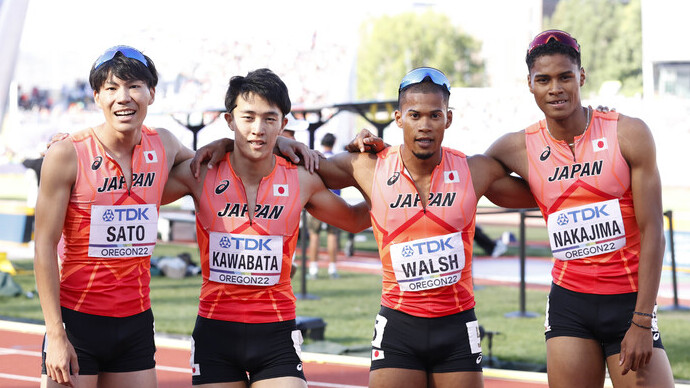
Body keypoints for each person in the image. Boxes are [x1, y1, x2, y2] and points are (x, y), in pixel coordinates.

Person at [34, 47, 317, 388]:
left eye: (134, 86)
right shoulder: (68, 153)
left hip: (135, 323)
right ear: (96, 96)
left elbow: (212, 161)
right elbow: (44, 246)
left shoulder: (164, 145)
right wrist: (55, 332)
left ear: (151, 93)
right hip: (77, 321)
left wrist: (273, 145)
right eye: (111, 89)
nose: (123, 98)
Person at [485, 30, 674, 387]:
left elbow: (653, 232)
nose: (555, 88)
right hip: (570, 304)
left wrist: (642, 321)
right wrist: (384, 155)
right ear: (530, 84)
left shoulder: (628, 134)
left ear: (581, 77)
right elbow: (464, 175)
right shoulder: (516, 148)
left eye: (564, 77)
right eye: (543, 79)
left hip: (629, 302)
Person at [163, 68, 371, 387]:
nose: (258, 129)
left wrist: (386, 178)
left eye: (269, 119)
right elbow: (138, 189)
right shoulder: (200, 173)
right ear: (230, 121)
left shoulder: (302, 179)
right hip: (215, 333)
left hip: (276, 334)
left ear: (283, 124)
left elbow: (356, 220)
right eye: (247, 117)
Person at [307, 133, 342, 278]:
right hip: (335, 204)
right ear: (334, 143)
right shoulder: (338, 159)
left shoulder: (317, 158)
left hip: (317, 203)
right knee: (332, 236)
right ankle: (332, 269)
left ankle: (313, 269)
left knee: (314, 236)